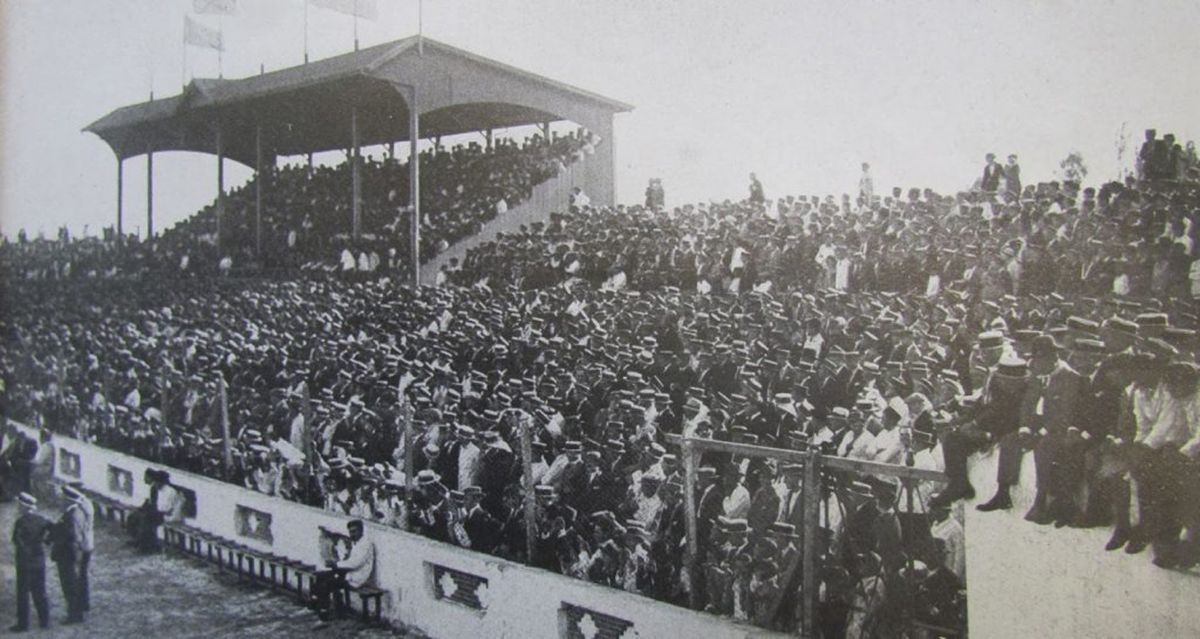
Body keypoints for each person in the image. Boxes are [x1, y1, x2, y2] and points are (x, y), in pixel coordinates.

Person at [311, 519, 376, 621]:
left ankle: (324, 612)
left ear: (361, 530)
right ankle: (315, 602)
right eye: (350, 532)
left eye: (354, 531)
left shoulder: (366, 544)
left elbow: (355, 564)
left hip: (357, 577)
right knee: (320, 576)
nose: (352, 534)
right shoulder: (356, 542)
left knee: (327, 584)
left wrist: (336, 565)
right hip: (348, 572)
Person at [12, 492, 52, 632]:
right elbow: (55, 531)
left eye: (19, 505)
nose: (18, 507)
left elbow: (16, 540)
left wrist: (24, 552)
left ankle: (23, 624)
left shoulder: (20, 522)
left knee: (23, 593)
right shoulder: (42, 520)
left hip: (24, 562)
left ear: (23, 506)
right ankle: (44, 620)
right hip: (39, 559)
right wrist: (45, 541)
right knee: (40, 590)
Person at [52, 484, 90, 624]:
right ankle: (76, 612)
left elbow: (71, 535)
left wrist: (56, 538)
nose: (60, 500)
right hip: (73, 553)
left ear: (68, 500)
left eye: (63, 498)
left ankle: (74, 615)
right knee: (73, 583)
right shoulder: (77, 512)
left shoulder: (71, 516)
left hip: (67, 554)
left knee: (69, 585)